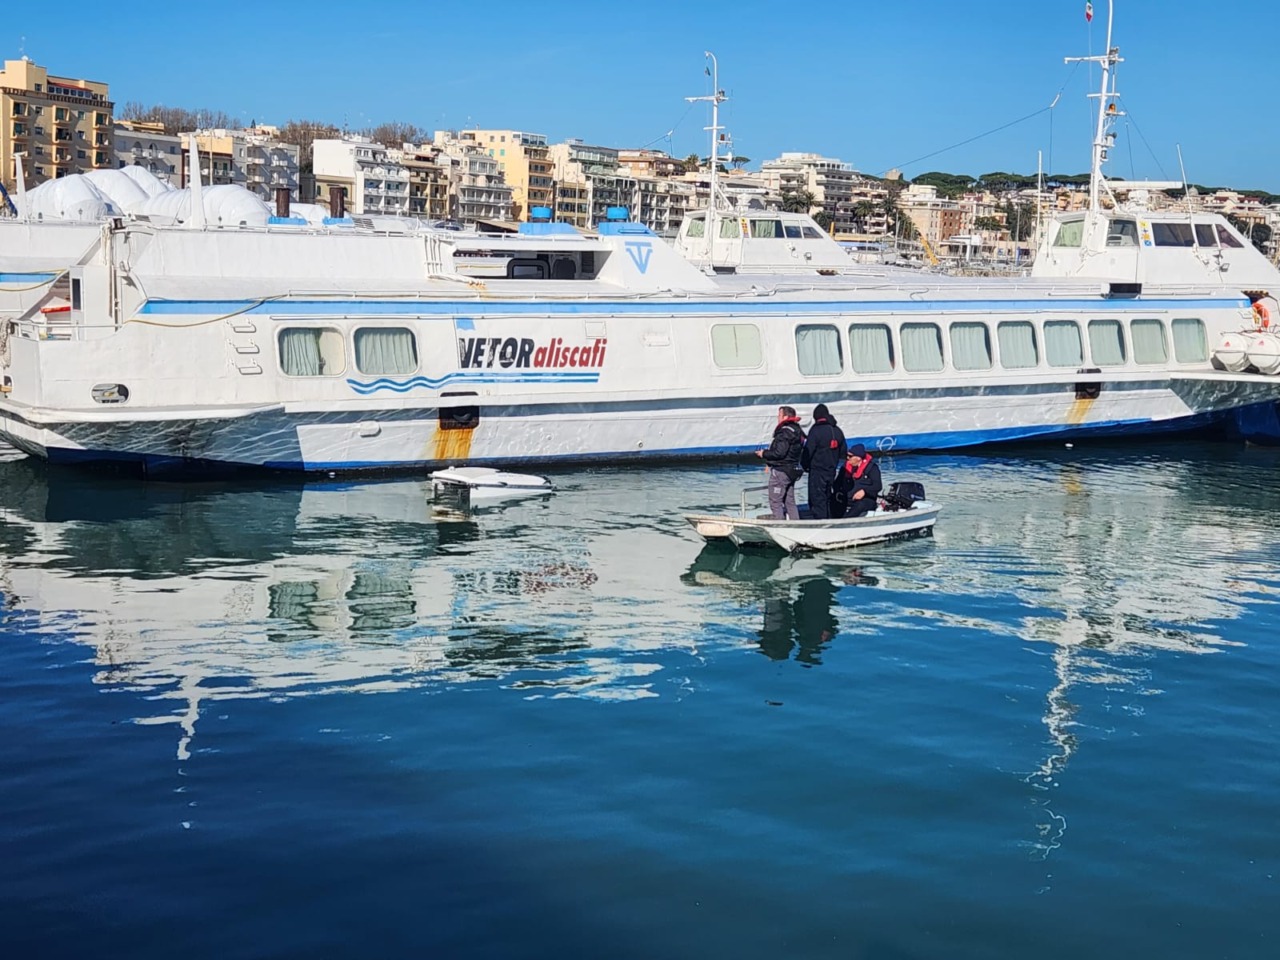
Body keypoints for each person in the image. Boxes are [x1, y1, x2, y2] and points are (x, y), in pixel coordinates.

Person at [755, 405, 805, 520]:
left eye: (779, 415)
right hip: (792, 470)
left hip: (781, 471)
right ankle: (795, 524)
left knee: (775, 502)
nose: (777, 418)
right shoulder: (797, 431)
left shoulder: (785, 432)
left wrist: (764, 454)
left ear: (785, 417)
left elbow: (780, 453)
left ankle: (780, 525)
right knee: (790, 501)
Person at [799, 403, 846, 520]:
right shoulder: (837, 431)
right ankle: (829, 519)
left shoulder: (816, 430)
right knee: (828, 497)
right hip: (831, 471)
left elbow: (808, 451)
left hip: (817, 471)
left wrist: (804, 466)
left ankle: (821, 524)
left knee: (817, 499)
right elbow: (843, 452)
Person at [831, 443, 882, 518]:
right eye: (847, 455)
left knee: (860, 505)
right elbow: (837, 483)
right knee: (832, 500)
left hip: (866, 499)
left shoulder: (872, 468)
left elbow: (878, 486)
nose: (848, 458)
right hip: (848, 498)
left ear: (858, 458)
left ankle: (846, 521)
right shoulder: (845, 467)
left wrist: (864, 491)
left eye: (850, 456)